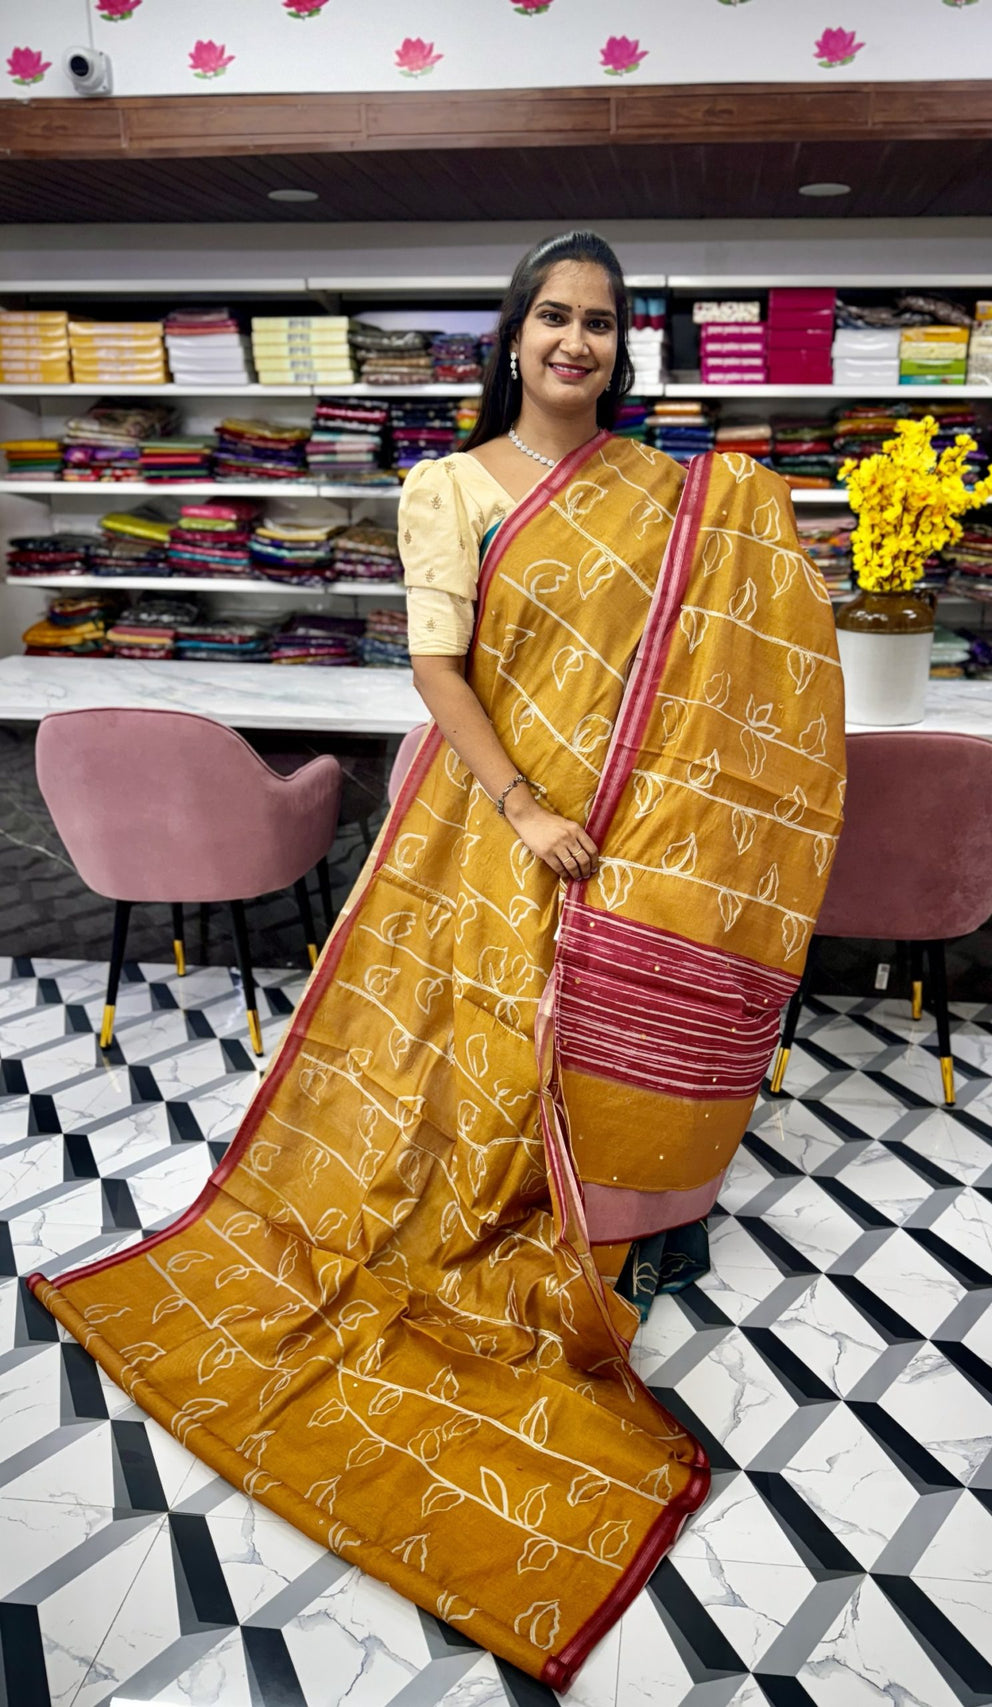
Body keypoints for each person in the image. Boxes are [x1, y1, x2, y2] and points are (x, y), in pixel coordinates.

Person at [30, 231, 845, 1690]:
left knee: (603, 1022)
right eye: (554, 316)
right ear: (513, 335)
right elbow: (436, 666)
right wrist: (524, 805)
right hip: (497, 819)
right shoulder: (448, 486)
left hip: (641, 820)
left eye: (601, 322)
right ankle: (491, 1212)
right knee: (480, 1041)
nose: (577, 342)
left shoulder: (679, 495)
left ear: (622, 346)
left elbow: (720, 656)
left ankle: (604, 1211)